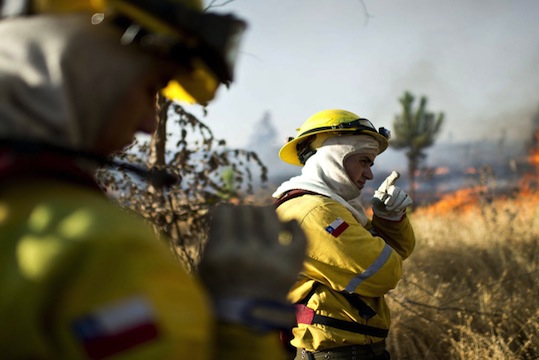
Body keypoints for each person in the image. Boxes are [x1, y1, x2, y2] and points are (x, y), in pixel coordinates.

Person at [0, 1, 306, 359]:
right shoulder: (103, 248)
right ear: (90, 66)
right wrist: (244, 322)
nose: (150, 124)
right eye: (151, 88)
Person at [273, 109, 416, 360]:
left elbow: (398, 252)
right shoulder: (316, 212)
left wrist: (389, 220)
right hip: (337, 353)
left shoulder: (332, 207)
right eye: (363, 161)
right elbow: (385, 272)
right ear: (333, 157)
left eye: (371, 163)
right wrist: (380, 240)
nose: (369, 174)